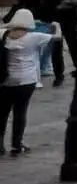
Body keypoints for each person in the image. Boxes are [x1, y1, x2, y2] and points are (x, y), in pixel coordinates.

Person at [1, 8, 49, 154]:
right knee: (20, 113)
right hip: (26, 81)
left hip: (5, 80)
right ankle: (17, 144)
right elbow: (57, 36)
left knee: (2, 114)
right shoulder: (35, 37)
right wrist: (56, 25)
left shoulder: (3, 34)